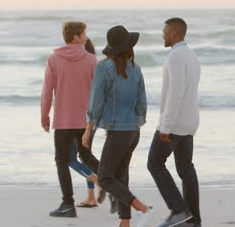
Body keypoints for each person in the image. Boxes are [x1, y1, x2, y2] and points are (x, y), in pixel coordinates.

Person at [82, 25, 152, 227]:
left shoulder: (104, 67)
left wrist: (88, 131)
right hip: (133, 131)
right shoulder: (135, 68)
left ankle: (142, 208)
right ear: (129, 47)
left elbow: (95, 103)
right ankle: (125, 221)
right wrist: (136, 122)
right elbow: (142, 103)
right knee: (121, 176)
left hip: (118, 132)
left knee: (104, 178)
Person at [41, 21, 101, 217]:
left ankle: (68, 204)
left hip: (64, 120)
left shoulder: (54, 59)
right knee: (86, 156)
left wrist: (44, 115)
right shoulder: (92, 60)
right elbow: (98, 92)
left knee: (62, 160)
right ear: (75, 37)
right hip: (86, 121)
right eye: (83, 34)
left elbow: (47, 90)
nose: (85, 37)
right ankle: (113, 184)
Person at [147, 18, 201, 227]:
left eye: (165, 31)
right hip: (189, 122)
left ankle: (179, 210)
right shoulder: (191, 55)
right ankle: (194, 220)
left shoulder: (176, 56)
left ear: (175, 32)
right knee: (186, 169)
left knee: (155, 163)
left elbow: (176, 94)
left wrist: (165, 127)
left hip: (175, 124)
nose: (163, 34)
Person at [67, 38, 105, 208]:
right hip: (92, 118)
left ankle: (100, 181)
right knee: (85, 156)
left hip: (78, 118)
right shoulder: (94, 66)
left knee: (69, 158)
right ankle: (91, 196)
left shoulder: (79, 67)